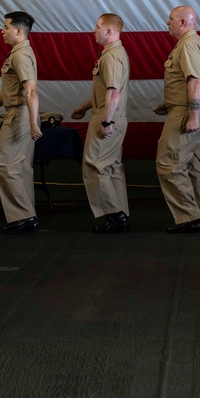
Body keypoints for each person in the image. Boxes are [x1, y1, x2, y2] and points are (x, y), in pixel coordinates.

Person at [0, 12, 43, 234]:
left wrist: (33, 123)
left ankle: (22, 217)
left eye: (6, 27)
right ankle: (27, 215)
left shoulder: (20, 55)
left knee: (5, 164)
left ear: (19, 31)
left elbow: (30, 90)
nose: (2, 31)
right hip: (20, 114)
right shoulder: (18, 53)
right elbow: (8, 92)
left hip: (20, 115)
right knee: (20, 167)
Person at [154, 6, 200, 233]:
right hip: (192, 110)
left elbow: (196, 82)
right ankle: (199, 218)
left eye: (170, 20)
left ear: (183, 22)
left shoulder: (188, 45)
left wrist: (193, 116)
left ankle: (189, 216)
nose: (167, 23)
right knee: (192, 165)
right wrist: (170, 102)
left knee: (168, 163)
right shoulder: (192, 43)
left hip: (188, 114)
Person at [71, 13, 131, 234]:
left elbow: (113, 92)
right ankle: (120, 215)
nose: (93, 31)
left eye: (97, 27)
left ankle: (115, 216)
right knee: (111, 167)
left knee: (95, 166)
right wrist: (84, 107)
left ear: (108, 31)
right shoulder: (113, 53)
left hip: (108, 116)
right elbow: (106, 89)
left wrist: (106, 120)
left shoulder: (112, 56)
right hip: (109, 113)